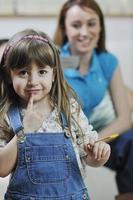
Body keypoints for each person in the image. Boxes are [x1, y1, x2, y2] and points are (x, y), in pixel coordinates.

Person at [0, 28, 110, 200]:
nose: (33, 81)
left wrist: (99, 155)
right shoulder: (7, 115)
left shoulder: (69, 108)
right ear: (9, 75)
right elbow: (2, 168)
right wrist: (24, 132)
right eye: (23, 72)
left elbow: (88, 157)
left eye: (42, 71)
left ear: (53, 74)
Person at [53, 0, 133, 198]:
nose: (84, 32)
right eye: (76, 25)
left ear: (100, 27)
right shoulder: (53, 61)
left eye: (91, 23)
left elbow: (124, 119)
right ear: (64, 28)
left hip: (99, 136)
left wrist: (95, 141)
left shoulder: (107, 61)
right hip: (63, 138)